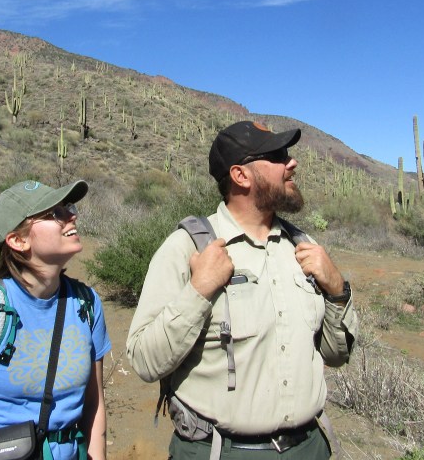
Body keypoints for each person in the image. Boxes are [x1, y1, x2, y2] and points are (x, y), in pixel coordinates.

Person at [127, 121, 359, 460]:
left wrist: (337, 290)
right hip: (222, 451)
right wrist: (199, 290)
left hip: (309, 447)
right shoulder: (186, 248)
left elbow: (336, 356)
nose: (292, 163)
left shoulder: (303, 246)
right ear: (240, 175)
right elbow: (144, 361)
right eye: (278, 156)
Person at [0, 180, 111, 460]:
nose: (71, 216)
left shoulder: (86, 303)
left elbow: (93, 407)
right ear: (18, 241)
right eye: (55, 214)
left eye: (68, 208)